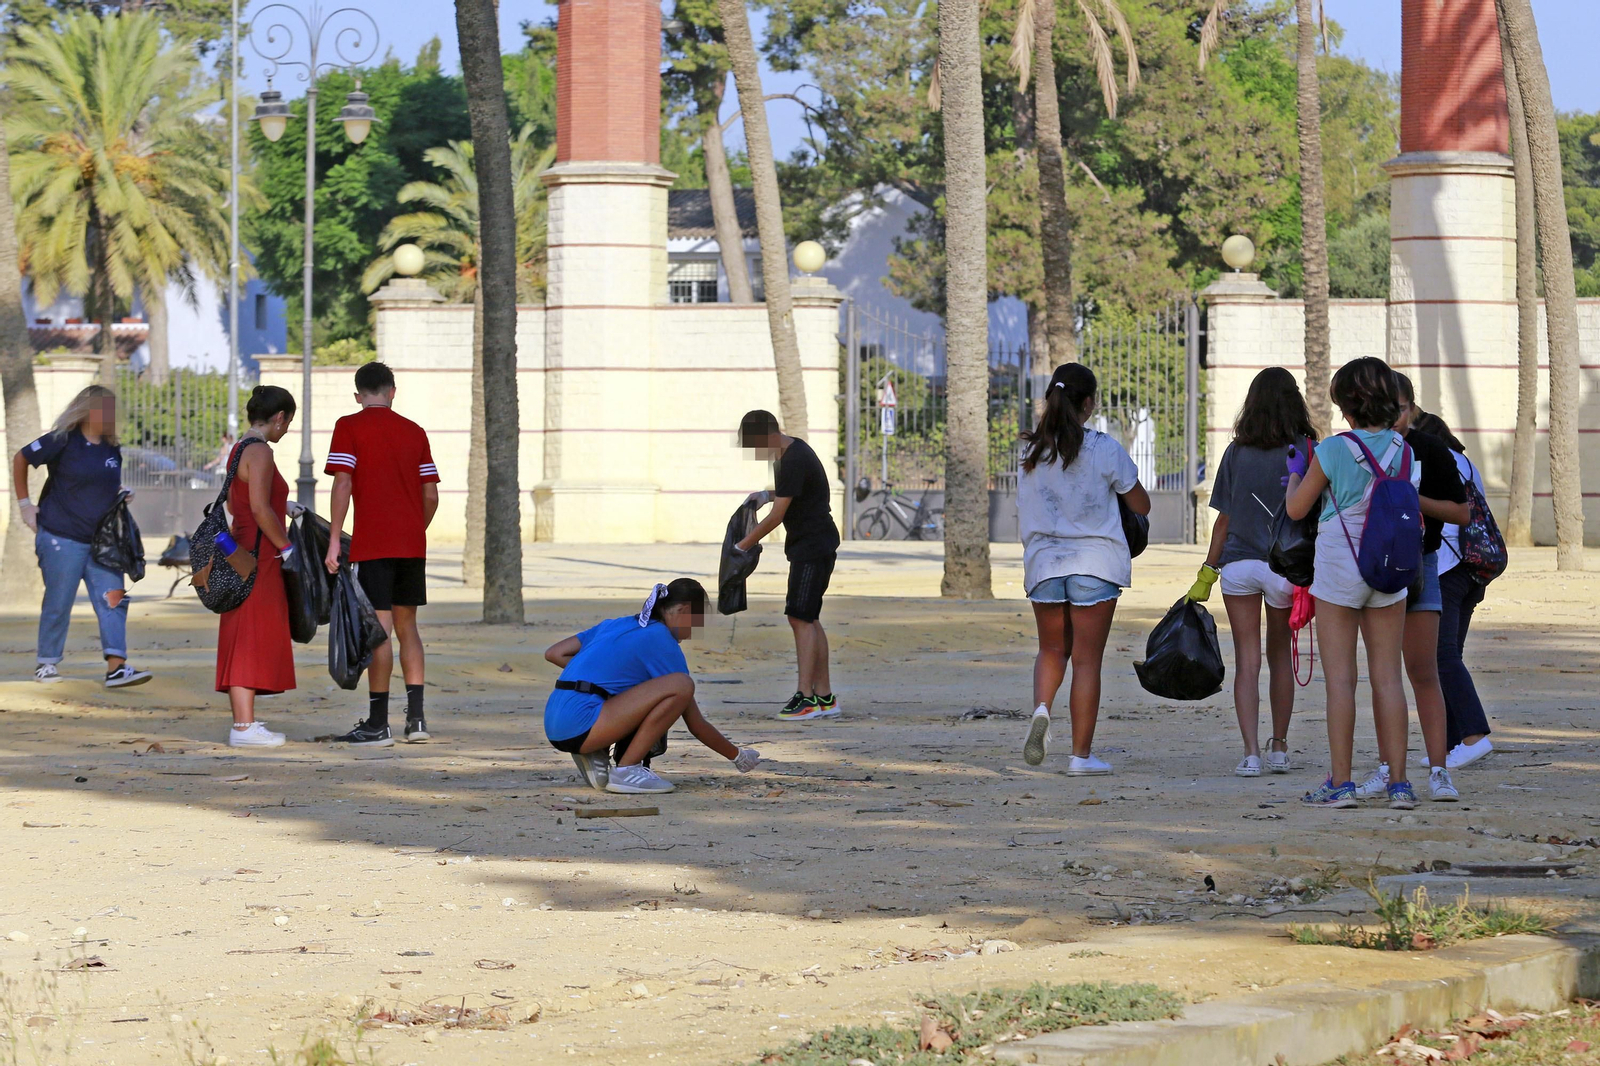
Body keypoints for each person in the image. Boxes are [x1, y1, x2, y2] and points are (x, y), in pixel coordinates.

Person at [1285, 357, 1420, 810]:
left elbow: (1298, 510)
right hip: (1388, 566)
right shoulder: (1403, 450)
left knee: (1340, 681)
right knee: (1389, 678)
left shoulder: (1333, 450)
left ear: (1347, 406)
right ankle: (1399, 783)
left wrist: (1294, 479)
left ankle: (1341, 783)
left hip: (1340, 567)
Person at [1017, 363, 1150, 775]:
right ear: (1089, 403)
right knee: (1088, 662)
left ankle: (1042, 709)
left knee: (1051, 649)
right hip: (1096, 564)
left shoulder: (1031, 452)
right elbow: (1141, 505)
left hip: (1044, 564)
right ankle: (1080, 756)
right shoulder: (1104, 448)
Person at [1189, 367, 1314, 777]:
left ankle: (1250, 754)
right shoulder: (1308, 448)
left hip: (1238, 566)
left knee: (1247, 661)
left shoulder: (1235, 453)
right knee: (1279, 657)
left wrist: (1208, 569)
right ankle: (1278, 747)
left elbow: (1223, 520)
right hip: (1285, 567)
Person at [1350, 374, 1469, 803]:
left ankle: (1440, 771)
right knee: (1384, 676)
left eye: (1400, 408)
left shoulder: (1430, 449)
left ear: (1412, 408)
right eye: (1385, 407)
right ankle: (1388, 768)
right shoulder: (1354, 448)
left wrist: (1406, 498)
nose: (1393, 417)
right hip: (1375, 571)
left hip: (1421, 564)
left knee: (1423, 671)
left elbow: (1461, 513)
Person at [542, 579, 760, 794]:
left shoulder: (616, 624)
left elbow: (554, 653)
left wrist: (602, 677)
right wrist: (738, 756)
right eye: (695, 622)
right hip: (583, 724)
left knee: (634, 685)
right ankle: (627, 770)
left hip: (555, 723)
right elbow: (695, 722)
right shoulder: (662, 640)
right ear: (683, 611)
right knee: (681, 684)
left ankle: (594, 748)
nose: (693, 632)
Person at [322, 362, 440, 747]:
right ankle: (417, 720)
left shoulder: (349, 426)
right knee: (409, 629)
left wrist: (335, 538)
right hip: (411, 547)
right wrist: (414, 531)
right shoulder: (415, 431)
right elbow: (431, 494)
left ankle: (378, 723)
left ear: (358, 396)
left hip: (373, 547)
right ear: (392, 391)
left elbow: (343, 482)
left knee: (379, 633)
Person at [11, 384, 152, 687]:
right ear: (87, 411)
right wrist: (25, 506)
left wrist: (121, 492)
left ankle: (117, 667)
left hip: (104, 541)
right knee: (58, 601)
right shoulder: (61, 441)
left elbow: (103, 484)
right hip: (61, 537)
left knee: (113, 599)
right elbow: (20, 458)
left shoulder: (111, 448)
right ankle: (47, 663)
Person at [732, 409, 842, 720]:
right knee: (809, 617)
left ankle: (805, 697)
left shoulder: (792, 458)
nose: (755, 453)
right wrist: (766, 493)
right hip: (814, 543)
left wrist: (743, 545)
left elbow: (777, 516)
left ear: (767, 436)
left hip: (812, 546)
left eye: (755, 446)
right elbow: (789, 495)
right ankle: (824, 696)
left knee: (799, 617)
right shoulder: (791, 452)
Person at [215, 386, 299, 748]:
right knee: (252, 631)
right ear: (278, 417)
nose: (286, 431)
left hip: (242, 546)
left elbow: (238, 507)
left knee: (241, 629)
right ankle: (244, 727)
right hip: (261, 553)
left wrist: (286, 506)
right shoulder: (261, 451)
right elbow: (261, 509)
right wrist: (287, 546)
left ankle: (245, 722)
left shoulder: (239, 449)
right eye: (288, 423)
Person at [1413, 411, 1494, 769]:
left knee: (1440, 657)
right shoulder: (1466, 463)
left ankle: (1474, 736)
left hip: (1446, 564)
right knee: (1448, 657)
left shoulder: (1434, 461)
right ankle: (1446, 746)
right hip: (1474, 567)